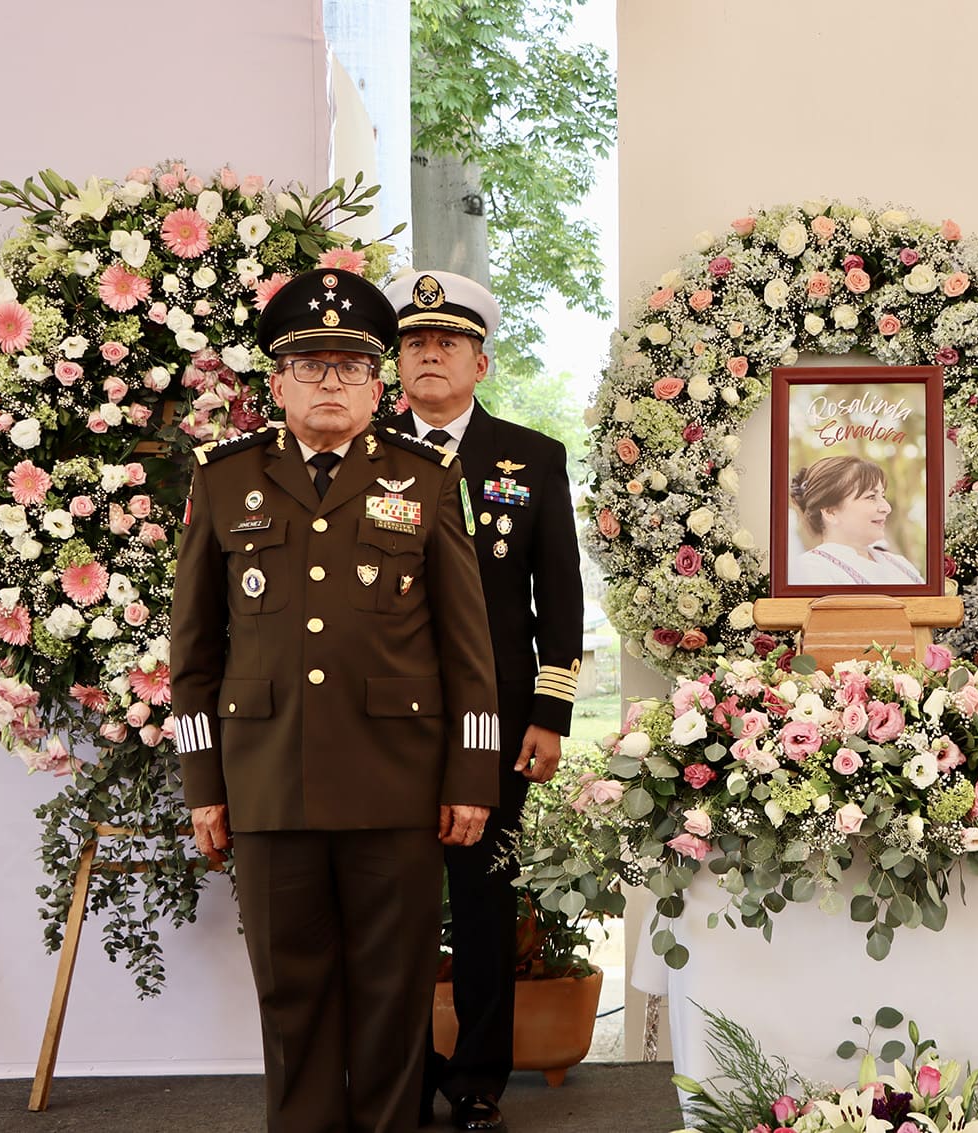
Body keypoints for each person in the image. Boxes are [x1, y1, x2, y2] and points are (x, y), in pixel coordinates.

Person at [172, 267, 502, 1133]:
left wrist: (471, 774)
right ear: (275, 383)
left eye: (350, 367)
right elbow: (194, 656)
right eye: (311, 366)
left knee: (394, 1003)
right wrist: (204, 784)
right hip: (269, 785)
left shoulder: (425, 477)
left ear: (377, 382)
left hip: (397, 788)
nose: (330, 382)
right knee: (292, 1000)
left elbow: (470, 650)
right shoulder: (222, 480)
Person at [378, 270, 584, 1133]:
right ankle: (403, 1070)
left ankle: (477, 1078)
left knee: (484, 898)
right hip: (381, 716)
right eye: (416, 342)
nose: (431, 353)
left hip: (495, 719)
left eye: (449, 342)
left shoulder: (531, 456)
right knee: (394, 900)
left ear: (481, 362)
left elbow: (560, 593)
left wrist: (551, 712)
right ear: (395, 365)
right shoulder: (362, 451)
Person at [787, 455, 923, 586]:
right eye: (871, 497)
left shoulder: (900, 564)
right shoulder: (810, 570)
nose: (886, 508)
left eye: (883, 495)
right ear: (830, 512)